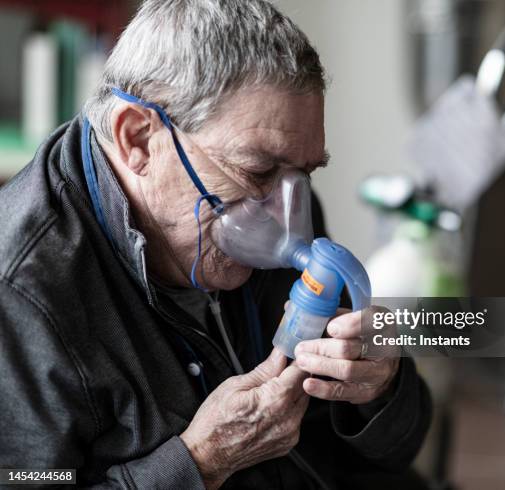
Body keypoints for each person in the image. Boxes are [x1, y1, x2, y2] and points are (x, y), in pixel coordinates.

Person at [0, 1, 431, 488]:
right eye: (257, 171)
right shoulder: (22, 292)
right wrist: (200, 462)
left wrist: (382, 388)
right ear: (138, 139)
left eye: (304, 174)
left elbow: (401, 448)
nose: (292, 218)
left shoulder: (281, 202)